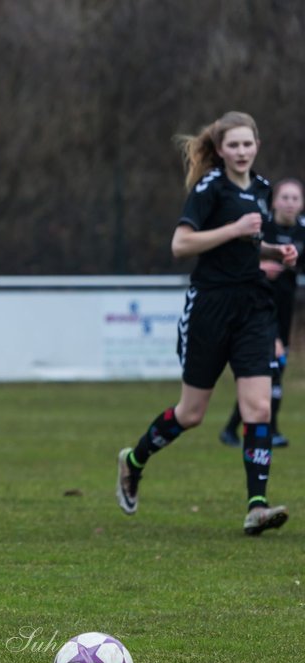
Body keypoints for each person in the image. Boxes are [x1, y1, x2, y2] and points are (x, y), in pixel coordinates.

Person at [115, 111, 296, 535]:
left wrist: (274, 254)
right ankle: (134, 461)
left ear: (257, 145)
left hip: (253, 305)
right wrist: (234, 229)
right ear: (219, 150)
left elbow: (249, 246)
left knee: (259, 407)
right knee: (192, 413)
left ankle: (256, 506)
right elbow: (181, 244)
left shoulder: (264, 188)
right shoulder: (208, 189)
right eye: (232, 145)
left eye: (247, 144)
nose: (241, 151)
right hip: (210, 308)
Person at [219, 177, 305, 447]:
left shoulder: (303, 232)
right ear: (275, 201)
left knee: (269, 372)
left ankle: (234, 428)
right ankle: (268, 431)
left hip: (284, 309)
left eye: (295, 198)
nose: (290, 203)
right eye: (285, 197)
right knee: (271, 369)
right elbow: (236, 259)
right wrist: (261, 267)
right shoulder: (261, 227)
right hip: (256, 306)